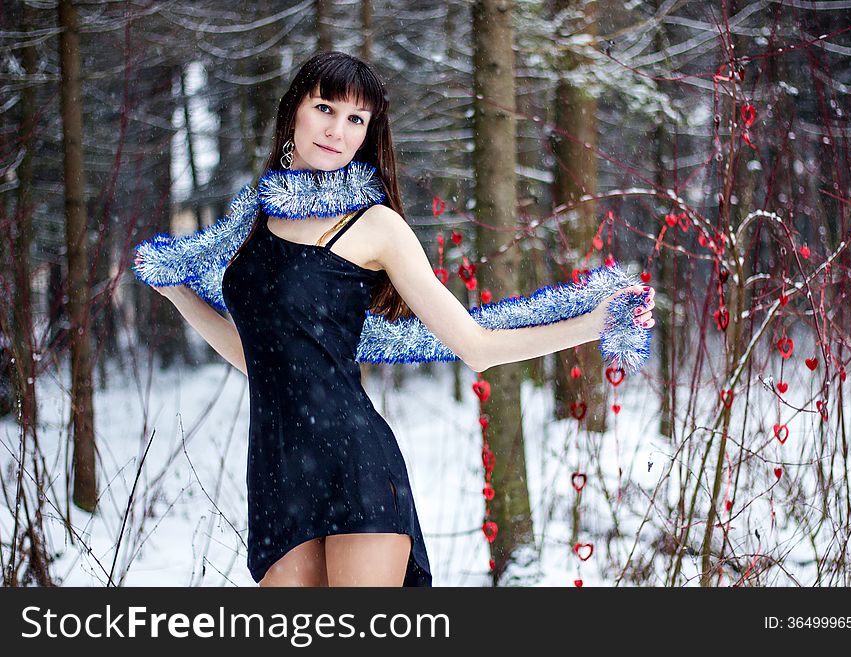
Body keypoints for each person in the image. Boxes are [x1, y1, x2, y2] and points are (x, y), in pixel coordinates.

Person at [133, 51, 656, 587]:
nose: (337, 130)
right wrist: (178, 295)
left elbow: (474, 345)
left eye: (356, 119)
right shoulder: (255, 218)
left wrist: (592, 324)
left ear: (368, 133)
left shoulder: (376, 225)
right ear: (294, 111)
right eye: (325, 108)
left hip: (355, 463)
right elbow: (257, 356)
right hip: (275, 473)